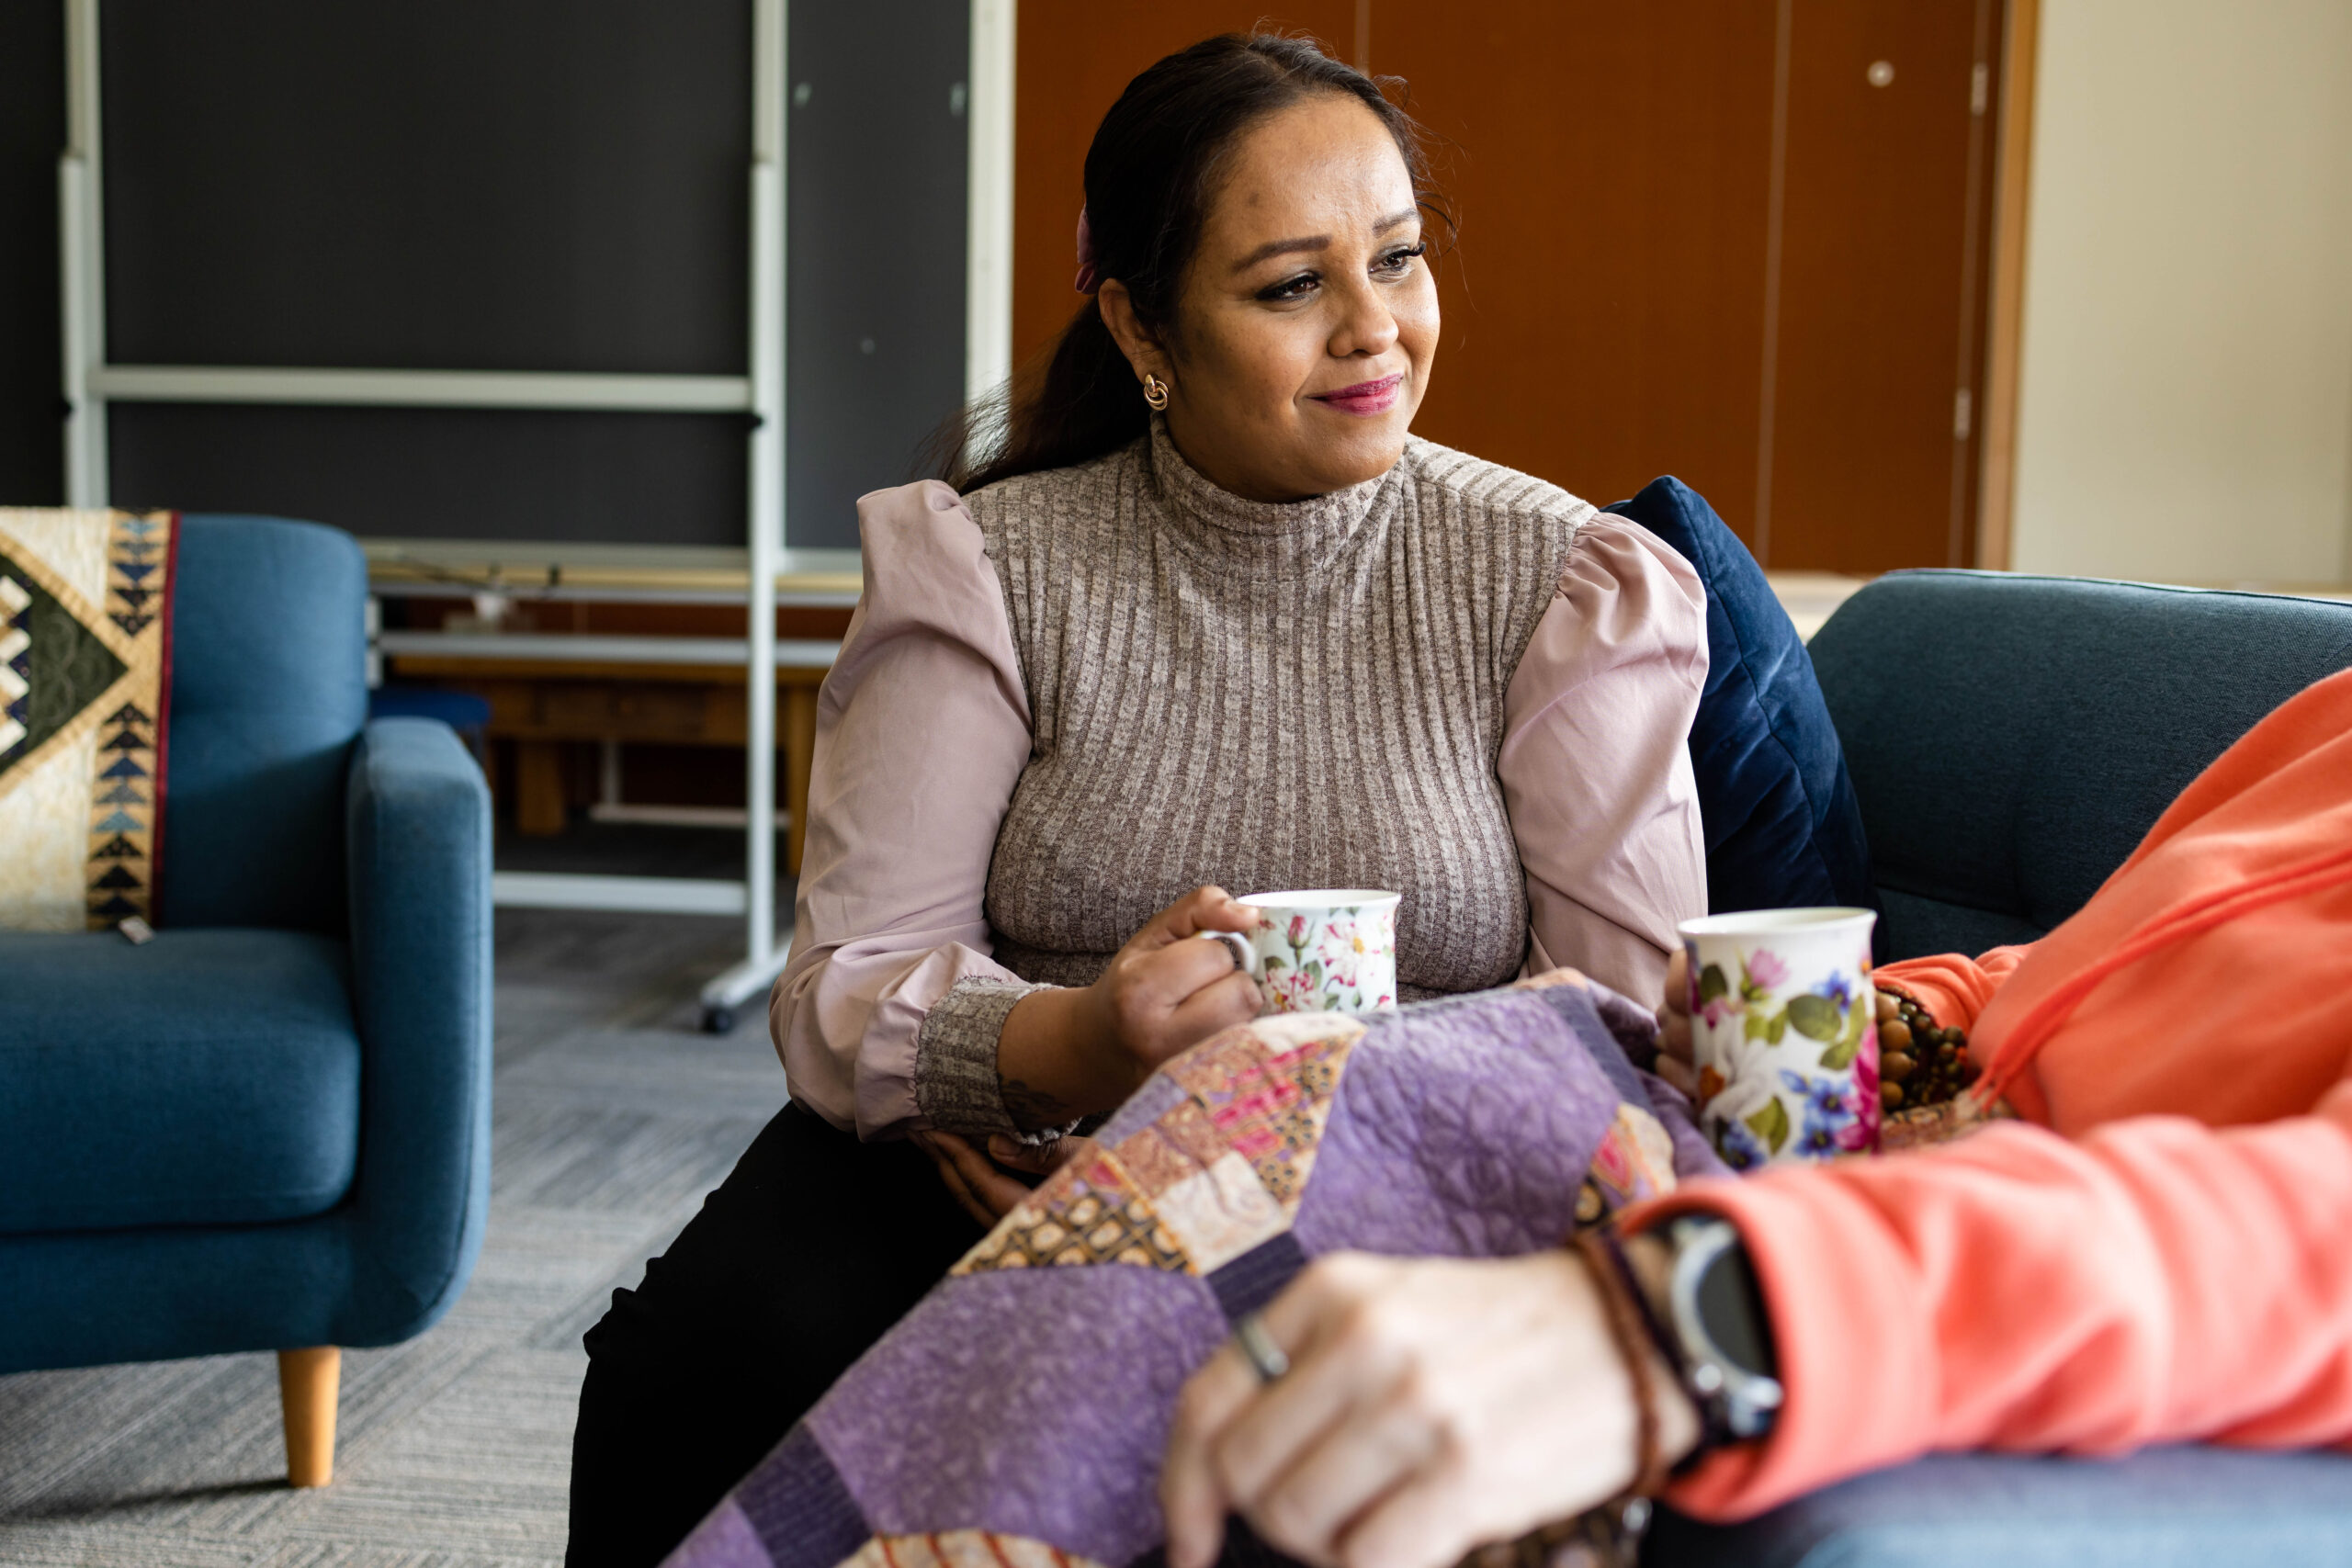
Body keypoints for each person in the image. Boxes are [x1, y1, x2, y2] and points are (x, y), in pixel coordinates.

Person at [566, 33, 1710, 1566]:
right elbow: (847, 984)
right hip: (1002, 1157)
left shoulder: (1559, 578)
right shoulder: (990, 565)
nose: (1377, 330)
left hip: (1414, 1171)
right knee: (699, 1359)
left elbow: (1636, 1013)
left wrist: (1249, 1119)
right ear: (1142, 327)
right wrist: (1073, 1045)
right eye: (1292, 285)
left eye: (1400, 258)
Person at [1159, 664, 2352, 1568]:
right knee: (1318, 1102)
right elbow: (2068, 973)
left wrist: (1699, 1315)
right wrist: (1867, 1024)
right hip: (1853, 1155)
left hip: (1953, 1267)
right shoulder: (2328, 720)